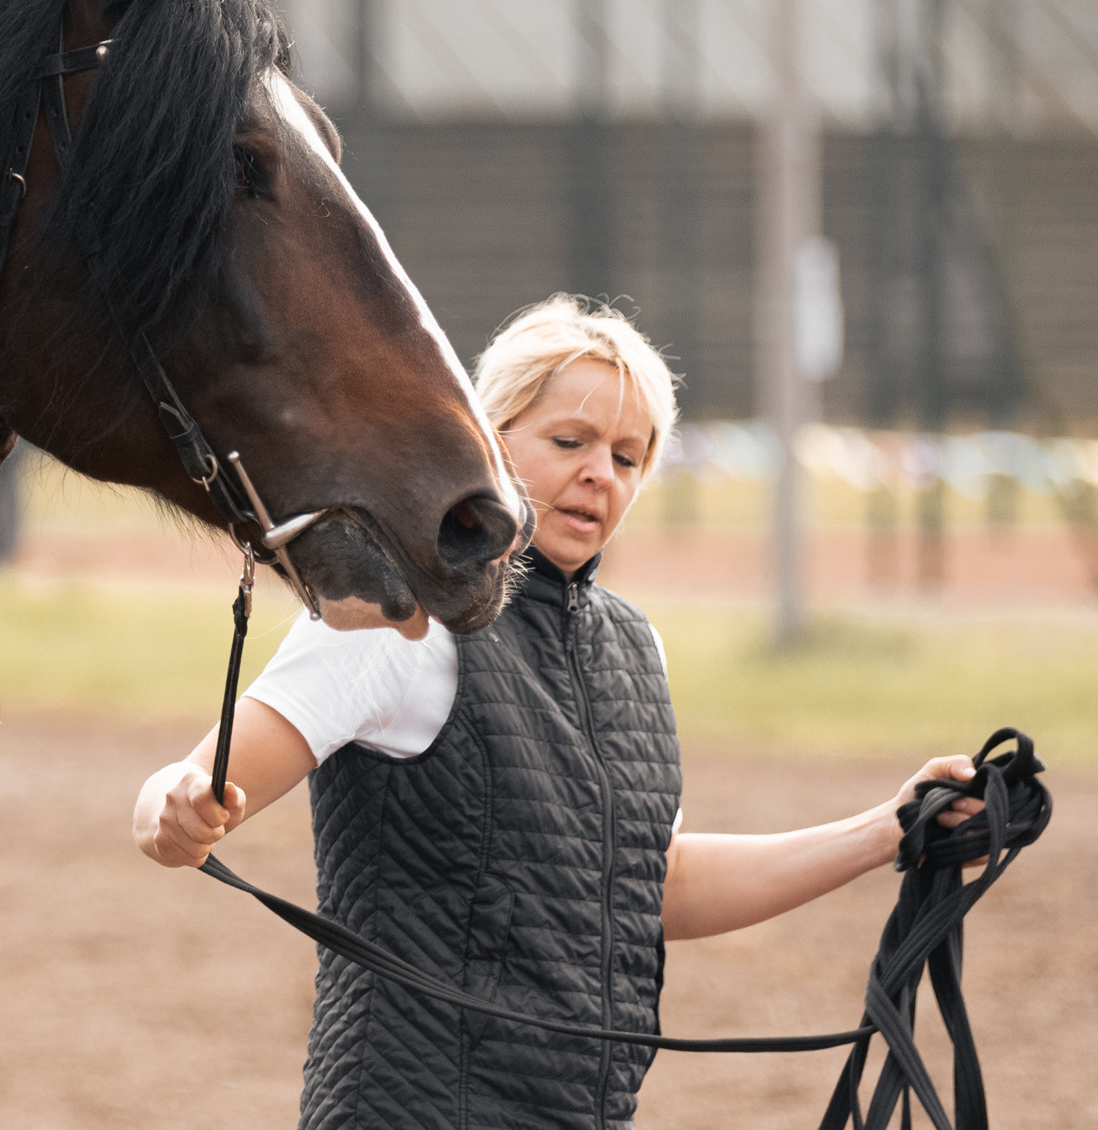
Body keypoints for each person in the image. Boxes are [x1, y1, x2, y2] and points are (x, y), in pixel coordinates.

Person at [131, 295, 982, 1130]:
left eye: (627, 456)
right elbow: (192, 789)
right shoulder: (399, 612)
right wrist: (178, 811)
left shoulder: (632, 646)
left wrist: (888, 830)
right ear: (487, 438)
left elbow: (662, 884)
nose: (598, 475)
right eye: (569, 441)